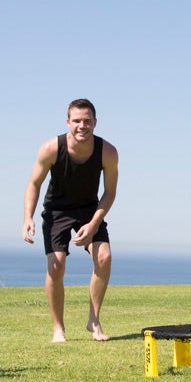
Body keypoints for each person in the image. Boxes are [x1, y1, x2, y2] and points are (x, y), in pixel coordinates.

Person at [22, 99, 118, 343]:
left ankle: (94, 321)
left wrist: (94, 223)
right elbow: (34, 184)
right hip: (57, 211)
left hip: (89, 210)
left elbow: (109, 192)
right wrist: (27, 218)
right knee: (56, 266)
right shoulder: (51, 149)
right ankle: (58, 329)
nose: (82, 126)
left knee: (104, 257)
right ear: (68, 122)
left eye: (87, 121)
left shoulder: (108, 152)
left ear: (95, 123)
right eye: (77, 121)